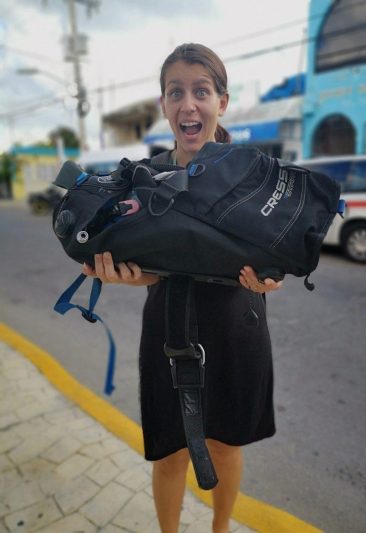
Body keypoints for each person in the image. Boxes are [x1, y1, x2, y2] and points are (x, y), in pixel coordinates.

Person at [83, 43, 283, 533]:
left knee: (225, 445)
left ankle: (219, 530)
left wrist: (272, 279)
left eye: (201, 91)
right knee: (170, 451)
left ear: (222, 102)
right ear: (164, 105)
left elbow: (280, 254)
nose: (188, 103)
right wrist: (125, 276)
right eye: (176, 92)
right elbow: (154, 267)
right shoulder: (145, 179)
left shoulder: (253, 176)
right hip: (169, 329)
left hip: (238, 325)